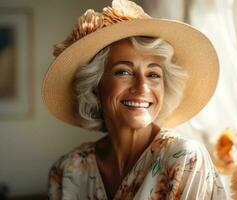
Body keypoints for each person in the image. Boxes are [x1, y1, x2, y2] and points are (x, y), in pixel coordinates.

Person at [42, 0, 227, 199]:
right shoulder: (68, 169)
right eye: (124, 72)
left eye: (153, 74)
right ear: (95, 86)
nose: (142, 87)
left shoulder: (184, 159)